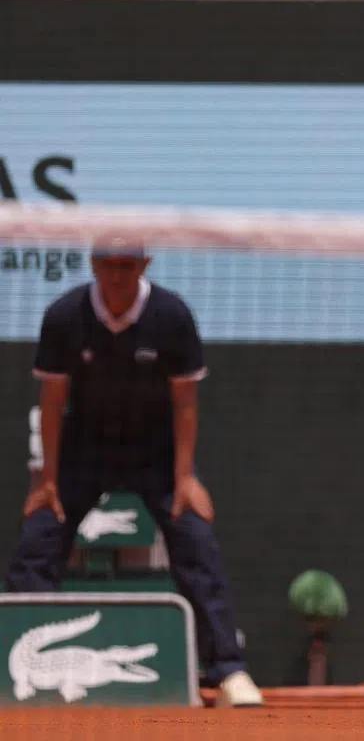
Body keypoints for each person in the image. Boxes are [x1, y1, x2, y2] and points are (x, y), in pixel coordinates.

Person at [5, 235, 263, 709]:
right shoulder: (65, 316)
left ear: (145, 263)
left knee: (196, 541)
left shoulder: (171, 316)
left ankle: (228, 670)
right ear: (93, 264)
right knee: (37, 540)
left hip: (156, 454)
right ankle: (15, 668)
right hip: (84, 451)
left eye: (127, 265)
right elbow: (53, 402)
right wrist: (47, 481)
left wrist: (185, 478)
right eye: (108, 265)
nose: (117, 275)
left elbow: (185, 403)